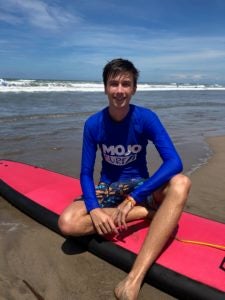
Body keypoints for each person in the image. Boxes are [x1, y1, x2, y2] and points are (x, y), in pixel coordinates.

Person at [58, 58, 191, 300]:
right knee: (67, 223)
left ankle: (133, 278)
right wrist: (94, 209)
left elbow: (174, 162)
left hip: (141, 188)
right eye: (114, 84)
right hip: (108, 189)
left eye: (126, 84)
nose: (120, 90)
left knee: (182, 182)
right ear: (105, 87)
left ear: (134, 89)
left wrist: (133, 197)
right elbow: (85, 173)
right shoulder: (93, 124)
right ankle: (146, 215)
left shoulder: (146, 118)